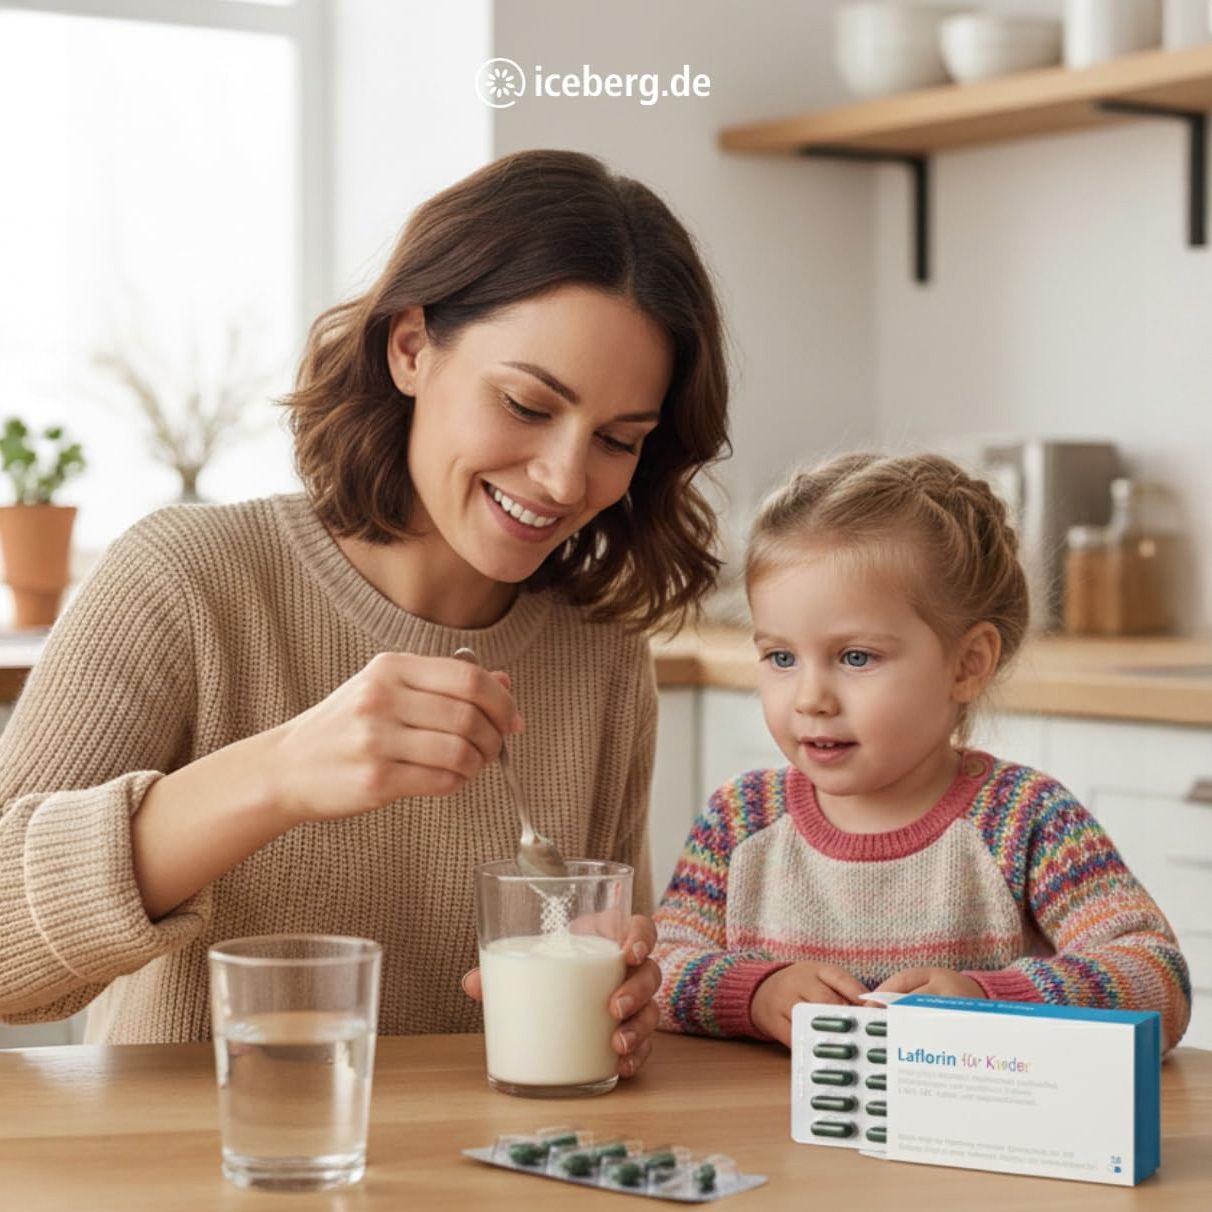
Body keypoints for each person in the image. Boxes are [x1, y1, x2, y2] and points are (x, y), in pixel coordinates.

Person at [0, 149, 730, 1071]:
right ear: (412, 347)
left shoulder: (601, 653)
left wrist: (626, 1004)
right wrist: (280, 772)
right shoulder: (187, 581)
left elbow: (610, 954)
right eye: (525, 403)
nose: (564, 477)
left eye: (619, 441)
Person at [653, 452, 1190, 1052]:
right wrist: (754, 993)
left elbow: (1159, 981)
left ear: (967, 665)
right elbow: (655, 972)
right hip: (768, 1138)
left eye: (856, 657)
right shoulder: (739, 820)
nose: (810, 698)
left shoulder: (1025, 819)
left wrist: (992, 1002)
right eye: (781, 657)